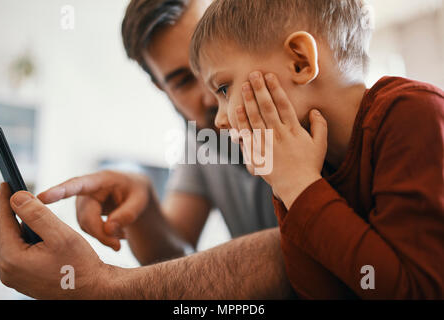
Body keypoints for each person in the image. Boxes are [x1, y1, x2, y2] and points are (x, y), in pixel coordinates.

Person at [0, 0, 294, 299]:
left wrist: (100, 285)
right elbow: (178, 262)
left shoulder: (313, 111)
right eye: (185, 81)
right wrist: (145, 207)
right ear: (163, 90)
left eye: (219, 63)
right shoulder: (202, 137)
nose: (213, 96)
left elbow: (311, 248)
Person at [189, 0, 444, 299]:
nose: (219, 120)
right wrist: (291, 189)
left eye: (223, 89)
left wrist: (301, 187)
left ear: (300, 61)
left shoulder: (412, 113)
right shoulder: (306, 167)